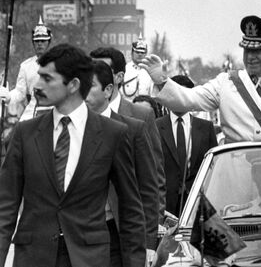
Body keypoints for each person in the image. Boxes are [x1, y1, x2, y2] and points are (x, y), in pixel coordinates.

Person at [0, 44, 146, 267]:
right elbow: (5, 207)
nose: (37, 86)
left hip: (89, 258)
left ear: (73, 85)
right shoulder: (25, 133)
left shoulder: (112, 134)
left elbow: (131, 210)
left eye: (47, 79)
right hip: (33, 257)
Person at [140, 15, 261, 200]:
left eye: (258, 51)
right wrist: (161, 79)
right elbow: (189, 99)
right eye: (247, 50)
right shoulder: (227, 82)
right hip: (233, 186)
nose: (250, 57)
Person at [85, 60, 160, 266]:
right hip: (78, 237)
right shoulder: (69, 130)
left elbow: (148, 190)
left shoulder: (132, 130)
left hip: (117, 234)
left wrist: (149, 243)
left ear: (108, 90)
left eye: (88, 85)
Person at [90, 47, 166, 223]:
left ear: (118, 77)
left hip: (126, 227)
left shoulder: (141, 117)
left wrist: (150, 237)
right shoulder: (79, 117)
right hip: (85, 231)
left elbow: (155, 181)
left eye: (102, 69)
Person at [155, 75, 218, 216]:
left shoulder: (206, 128)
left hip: (198, 202)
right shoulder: (155, 126)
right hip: (165, 203)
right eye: (175, 95)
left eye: (183, 96)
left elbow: (213, 167)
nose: (179, 101)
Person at [0, 17, 54, 121]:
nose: (40, 44)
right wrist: (8, 96)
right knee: (20, 131)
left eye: (43, 41)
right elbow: (20, 92)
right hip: (32, 110)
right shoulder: (26, 66)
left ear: (48, 42)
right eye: (37, 41)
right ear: (33, 43)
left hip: (55, 108)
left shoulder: (58, 63)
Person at [121, 34, 155, 101]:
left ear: (146, 54)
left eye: (142, 53)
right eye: (137, 52)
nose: (139, 54)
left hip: (144, 108)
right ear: (132, 53)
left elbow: (153, 95)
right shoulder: (124, 69)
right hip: (127, 107)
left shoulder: (150, 72)